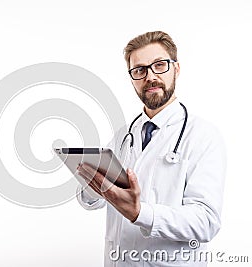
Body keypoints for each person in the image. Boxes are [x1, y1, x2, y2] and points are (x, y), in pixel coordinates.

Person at [76, 31, 226, 266]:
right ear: (132, 78)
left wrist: (141, 214)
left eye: (159, 65)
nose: (150, 76)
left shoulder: (203, 136)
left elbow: (206, 222)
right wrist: (92, 183)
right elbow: (91, 202)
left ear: (176, 69)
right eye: (140, 70)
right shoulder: (123, 136)